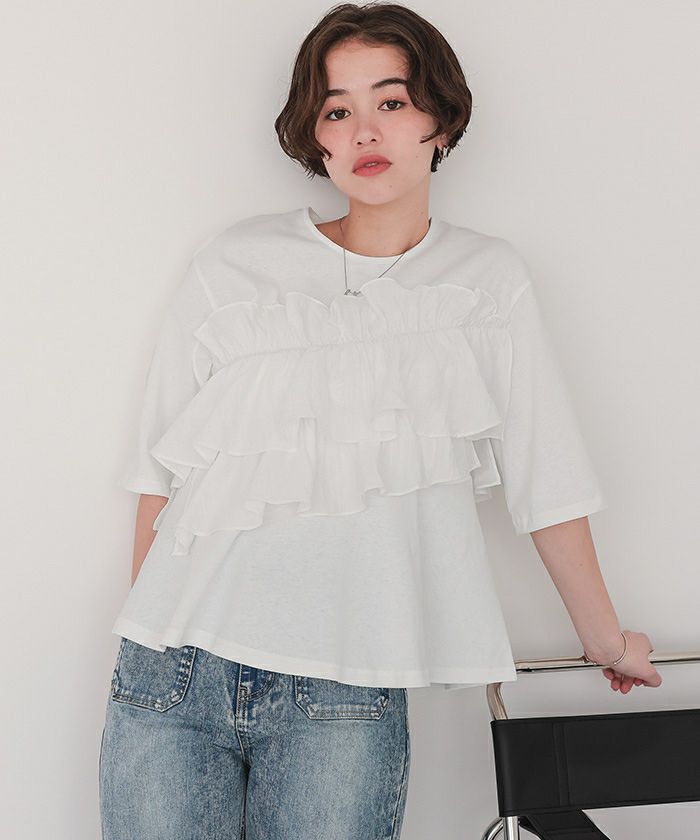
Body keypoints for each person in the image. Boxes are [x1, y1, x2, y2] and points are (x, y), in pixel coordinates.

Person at [98, 3, 662, 838]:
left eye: (391, 102)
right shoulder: (234, 265)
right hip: (171, 676)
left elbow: (547, 480)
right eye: (337, 110)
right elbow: (160, 475)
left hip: (346, 686)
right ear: (315, 138)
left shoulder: (485, 282)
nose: (364, 129)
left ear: (441, 120)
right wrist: (152, 636)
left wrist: (605, 640)